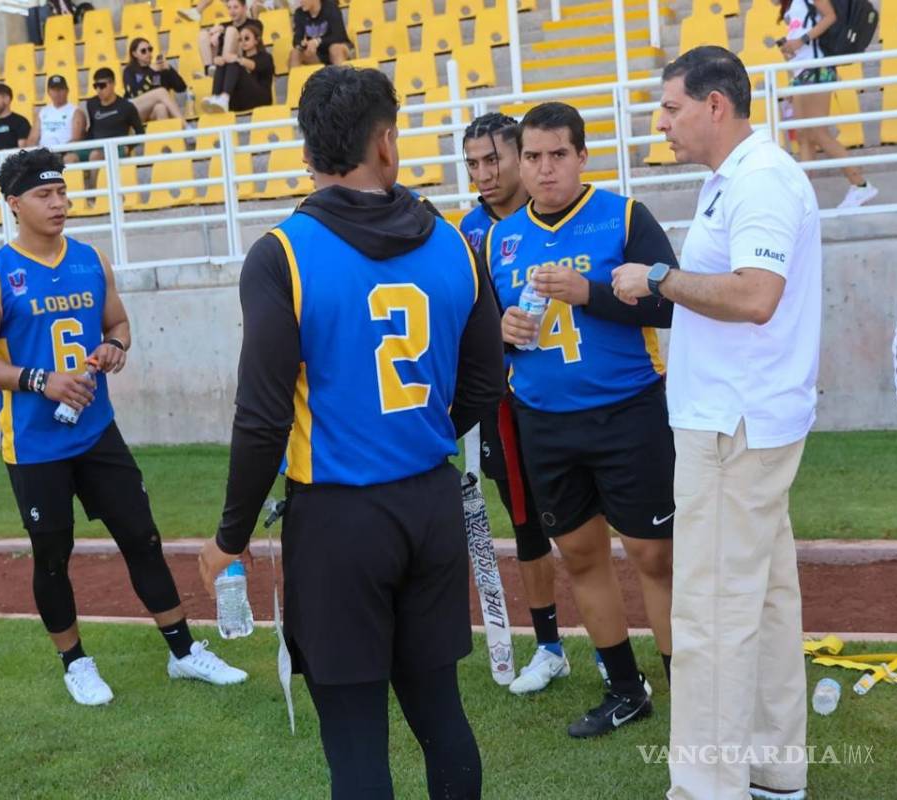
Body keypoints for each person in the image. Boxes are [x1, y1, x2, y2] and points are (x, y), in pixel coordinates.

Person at [199, 66, 505, 799]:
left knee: (358, 752)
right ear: (387, 143)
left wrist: (230, 536)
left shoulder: (283, 253)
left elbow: (263, 416)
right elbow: (487, 384)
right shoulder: (455, 242)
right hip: (431, 505)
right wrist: (421, 432)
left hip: (338, 520)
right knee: (443, 721)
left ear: (307, 153)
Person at [0, 147, 247, 706]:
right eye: (44, 194)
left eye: (62, 191)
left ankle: (184, 652)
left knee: (142, 536)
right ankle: (75, 661)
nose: (59, 203)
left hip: (96, 431)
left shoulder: (90, 258)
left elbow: (118, 322)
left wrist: (114, 346)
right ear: (14, 203)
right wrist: (41, 380)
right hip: (37, 442)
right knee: (52, 554)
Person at [613, 46, 822, 800]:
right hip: (742, 419)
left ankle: (706, 789)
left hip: (734, 426)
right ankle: (772, 775)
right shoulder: (733, 179)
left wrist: (659, 278)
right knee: (762, 604)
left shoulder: (758, 179)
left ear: (714, 106)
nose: (659, 122)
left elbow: (757, 295)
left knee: (710, 613)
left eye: (669, 108)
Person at [489, 101, 677, 737]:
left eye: (558, 155)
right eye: (533, 157)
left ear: (581, 156)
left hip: (627, 412)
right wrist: (503, 332)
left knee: (655, 554)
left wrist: (591, 295)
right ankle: (626, 688)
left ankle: (689, 685)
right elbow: (487, 330)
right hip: (544, 421)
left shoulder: (623, 216)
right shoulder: (499, 236)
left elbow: (672, 308)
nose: (544, 170)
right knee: (579, 553)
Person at [460, 112, 576, 696]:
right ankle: (550, 645)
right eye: (472, 164)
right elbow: (460, 319)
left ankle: (614, 646)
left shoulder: (569, 217)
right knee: (525, 519)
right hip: (500, 400)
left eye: (493, 160)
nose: (483, 174)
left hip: (574, 396)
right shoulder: (466, 234)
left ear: (523, 155)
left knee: (589, 518)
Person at [777, 0, 877, 209]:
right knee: (804, 137)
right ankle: (803, 199)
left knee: (818, 133)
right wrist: (791, 48)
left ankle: (860, 185)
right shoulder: (793, 4)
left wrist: (800, 41)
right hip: (802, 72)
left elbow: (831, 16)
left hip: (817, 70)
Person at [81, 68, 146, 189]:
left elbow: (140, 132)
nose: (98, 90)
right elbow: (93, 127)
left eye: (102, 85)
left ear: (113, 84)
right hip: (96, 145)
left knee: (95, 155)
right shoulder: (91, 104)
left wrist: (129, 147)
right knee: (69, 157)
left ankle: (92, 195)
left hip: (117, 147)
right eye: (96, 86)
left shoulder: (126, 107)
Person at [200, 18, 275, 114]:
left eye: (247, 38)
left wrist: (236, 59)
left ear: (257, 40)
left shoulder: (265, 57)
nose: (243, 42)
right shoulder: (239, 58)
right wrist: (220, 60)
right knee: (223, 62)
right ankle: (216, 97)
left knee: (233, 62)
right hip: (240, 100)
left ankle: (225, 97)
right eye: (240, 39)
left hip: (260, 100)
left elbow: (254, 66)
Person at [123, 37, 188, 122]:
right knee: (161, 91)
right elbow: (134, 93)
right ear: (135, 54)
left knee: (161, 108)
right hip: (135, 110)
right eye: (143, 51)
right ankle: (185, 126)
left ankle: (165, 135)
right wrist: (151, 71)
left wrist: (169, 69)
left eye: (150, 49)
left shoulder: (158, 69)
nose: (148, 53)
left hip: (152, 111)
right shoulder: (130, 70)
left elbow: (181, 88)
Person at [28, 74, 81, 162]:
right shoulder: (42, 112)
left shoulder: (76, 112)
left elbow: (76, 139)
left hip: (64, 153)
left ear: (67, 91)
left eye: (61, 89)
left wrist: (57, 151)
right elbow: (32, 139)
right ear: (48, 92)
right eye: (54, 90)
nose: (57, 93)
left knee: (70, 158)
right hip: (43, 154)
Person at [198, 0, 256, 77]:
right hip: (219, 59)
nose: (232, 11)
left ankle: (225, 68)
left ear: (244, 8)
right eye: (229, 8)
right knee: (203, 34)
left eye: (235, 7)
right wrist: (213, 35)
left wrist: (222, 30)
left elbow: (246, 37)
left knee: (231, 31)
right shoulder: (224, 24)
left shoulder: (254, 23)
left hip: (241, 59)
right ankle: (209, 68)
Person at [289, 0, 352, 68]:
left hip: (339, 48)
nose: (301, 2)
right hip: (317, 54)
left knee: (335, 49)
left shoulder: (331, 7)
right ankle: (295, 78)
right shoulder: (299, 13)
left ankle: (341, 77)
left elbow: (339, 36)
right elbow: (296, 40)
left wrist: (317, 41)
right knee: (295, 53)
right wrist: (303, 44)